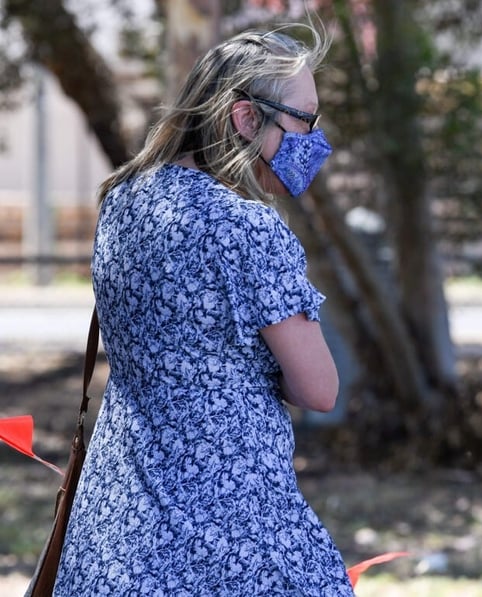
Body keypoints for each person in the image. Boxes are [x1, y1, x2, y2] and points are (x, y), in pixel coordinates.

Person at [53, 25, 354, 596]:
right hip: (230, 529)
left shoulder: (125, 199)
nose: (313, 138)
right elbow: (319, 389)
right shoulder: (248, 228)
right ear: (245, 119)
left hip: (116, 520)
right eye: (304, 119)